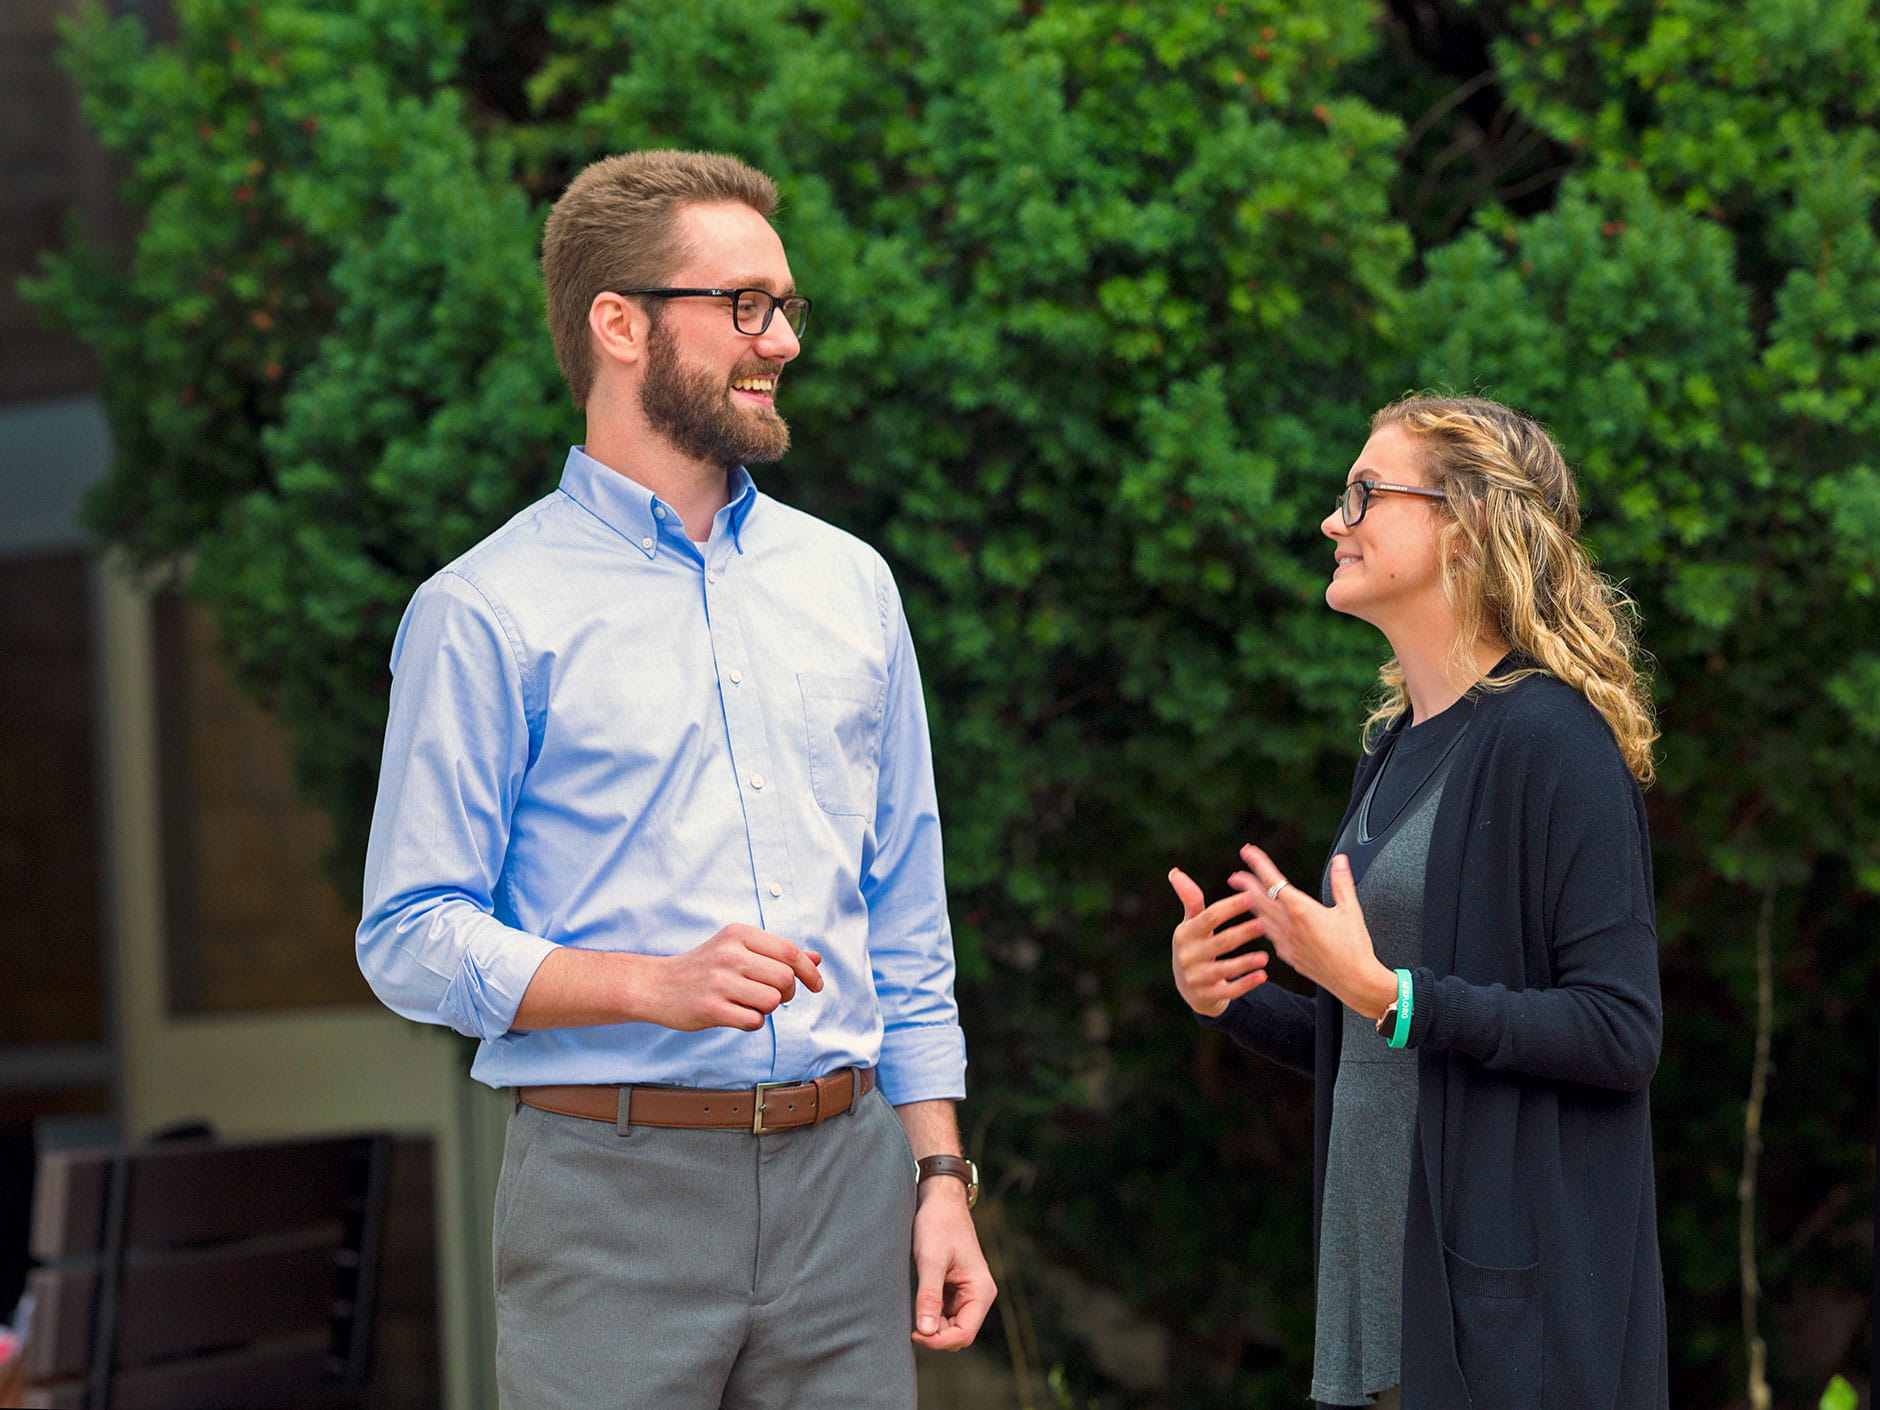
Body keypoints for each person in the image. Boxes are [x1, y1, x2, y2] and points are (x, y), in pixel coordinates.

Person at [357, 149, 994, 1409]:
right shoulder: (484, 611)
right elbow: (409, 936)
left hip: (849, 1188)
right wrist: (653, 984)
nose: (782, 342)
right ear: (619, 324)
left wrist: (938, 1177)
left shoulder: (849, 585)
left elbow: (905, 914)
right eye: (743, 306)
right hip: (609, 1197)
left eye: (786, 308)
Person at [1169, 394, 1667, 1409]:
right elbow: (1378, 1034)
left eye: (1363, 493)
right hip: (1376, 1329)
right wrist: (1232, 999)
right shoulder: (1392, 748)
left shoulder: (1549, 742)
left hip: (1504, 1343)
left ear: (1465, 522)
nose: (1331, 520)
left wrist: (1391, 994)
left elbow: (1619, 1031)